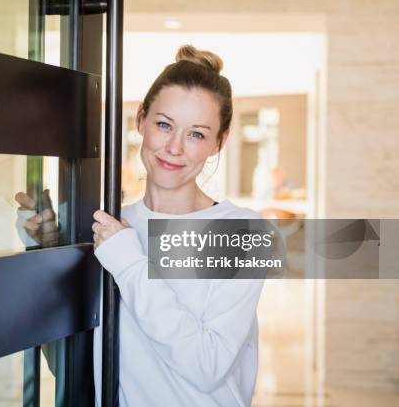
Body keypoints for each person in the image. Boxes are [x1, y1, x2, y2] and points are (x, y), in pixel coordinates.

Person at [17, 45, 264, 407]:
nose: (174, 148)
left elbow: (207, 365)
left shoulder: (241, 231)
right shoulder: (108, 228)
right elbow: (70, 364)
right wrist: (47, 250)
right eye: (164, 125)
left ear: (218, 142)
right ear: (141, 120)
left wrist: (130, 263)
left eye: (196, 133)